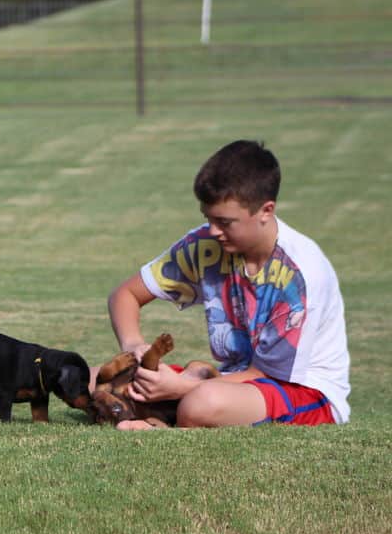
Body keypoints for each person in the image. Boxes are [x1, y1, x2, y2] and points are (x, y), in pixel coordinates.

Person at [105, 140, 350, 429]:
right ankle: (163, 414)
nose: (213, 231)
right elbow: (126, 295)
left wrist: (183, 387)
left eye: (225, 222)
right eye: (208, 218)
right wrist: (133, 345)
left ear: (266, 211)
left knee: (202, 404)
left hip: (302, 392)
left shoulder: (301, 273)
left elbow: (266, 373)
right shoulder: (206, 244)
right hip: (229, 381)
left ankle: (160, 425)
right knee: (104, 380)